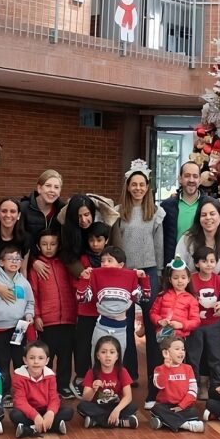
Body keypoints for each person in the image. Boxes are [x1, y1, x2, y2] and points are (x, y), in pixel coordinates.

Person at [116, 160, 166, 383]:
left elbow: (159, 245)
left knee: (151, 320)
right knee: (125, 322)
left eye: (142, 185)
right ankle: (130, 373)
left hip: (148, 271)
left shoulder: (156, 213)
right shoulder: (119, 213)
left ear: (147, 188)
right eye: (133, 184)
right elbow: (116, 243)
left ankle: (155, 372)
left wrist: (161, 272)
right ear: (128, 186)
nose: (137, 188)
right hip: (125, 272)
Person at [0, 244, 35, 403]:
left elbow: (30, 302)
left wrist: (29, 315)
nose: (14, 262)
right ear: (1, 262)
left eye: (17, 259)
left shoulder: (24, 282)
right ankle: (4, 393)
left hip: (19, 328)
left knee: (19, 361)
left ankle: (20, 392)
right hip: (0, 329)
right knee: (2, 362)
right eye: (10, 259)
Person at [28, 227, 77, 400]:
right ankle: (44, 386)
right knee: (46, 355)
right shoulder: (35, 268)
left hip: (68, 319)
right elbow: (32, 292)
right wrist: (36, 315)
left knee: (65, 355)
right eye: (44, 244)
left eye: (53, 244)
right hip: (47, 321)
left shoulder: (66, 263)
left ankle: (63, 385)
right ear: (38, 246)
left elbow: (73, 287)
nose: (49, 247)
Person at [78, 246, 150, 362]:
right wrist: (84, 280)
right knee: (97, 360)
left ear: (121, 265)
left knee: (117, 362)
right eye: (102, 261)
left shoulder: (129, 278)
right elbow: (82, 299)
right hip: (102, 327)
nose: (105, 264)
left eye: (109, 260)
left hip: (121, 329)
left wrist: (143, 279)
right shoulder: (96, 278)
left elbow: (145, 298)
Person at [148, 257, 201, 403]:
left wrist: (181, 324)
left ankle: (178, 396)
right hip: (162, 339)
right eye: (176, 277)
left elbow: (196, 321)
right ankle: (153, 396)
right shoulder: (162, 296)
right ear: (170, 279)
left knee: (177, 369)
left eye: (183, 277)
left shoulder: (191, 299)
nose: (180, 281)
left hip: (179, 340)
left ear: (189, 279)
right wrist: (160, 321)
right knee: (159, 367)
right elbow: (152, 313)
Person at [70, 221, 112, 397]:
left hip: (104, 311)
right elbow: (75, 281)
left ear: (106, 240)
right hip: (85, 310)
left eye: (99, 240)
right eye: (92, 240)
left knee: (103, 345)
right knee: (83, 344)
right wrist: (85, 279)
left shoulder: (111, 259)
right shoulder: (83, 259)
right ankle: (80, 377)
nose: (95, 244)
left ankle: (102, 378)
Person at [187, 246, 220, 390]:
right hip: (195, 325)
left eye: (212, 261)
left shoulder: (217, 279)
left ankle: (217, 386)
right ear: (197, 264)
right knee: (193, 357)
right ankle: (193, 387)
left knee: (216, 357)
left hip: (213, 325)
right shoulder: (191, 279)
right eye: (204, 261)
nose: (209, 264)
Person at [10, 341, 74, 438]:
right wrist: (35, 415)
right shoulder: (19, 376)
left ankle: (30, 429)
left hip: (45, 410)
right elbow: (20, 401)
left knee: (68, 411)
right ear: (25, 360)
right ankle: (53, 426)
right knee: (15, 415)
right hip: (28, 412)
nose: (36, 361)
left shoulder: (50, 375)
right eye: (32, 358)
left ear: (47, 361)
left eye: (40, 358)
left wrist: (51, 412)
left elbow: (54, 398)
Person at [78, 336, 138, 429]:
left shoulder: (122, 371)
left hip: (115, 405)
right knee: (82, 407)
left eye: (112, 352)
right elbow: (86, 398)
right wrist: (93, 390)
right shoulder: (92, 372)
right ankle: (119, 423)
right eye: (103, 352)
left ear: (117, 356)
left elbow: (128, 396)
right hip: (98, 406)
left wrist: (116, 410)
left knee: (132, 407)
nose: (108, 355)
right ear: (98, 356)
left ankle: (96, 421)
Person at [176, 197, 220, 287]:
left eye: (212, 214)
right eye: (203, 215)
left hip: (216, 295)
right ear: (199, 219)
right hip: (188, 292)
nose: (208, 218)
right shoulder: (187, 239)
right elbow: (179, 269)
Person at [148, 337, 204, 433]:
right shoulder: (159, 369)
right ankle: (186, 425)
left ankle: (164, 422)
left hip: (183, 406)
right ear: (166, 353)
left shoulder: (188, 368)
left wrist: (182, 406)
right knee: (156, 409)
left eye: (183, 349)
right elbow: (159, 385)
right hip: (165, 406)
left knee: (195, 412)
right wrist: (167, 369)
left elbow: (193, 391)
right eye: (177, 349)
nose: (181, 352)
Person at [57, 193, 121, 276]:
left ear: (92, 212)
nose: (83, 220)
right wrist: (82, 273)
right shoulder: (66, 224)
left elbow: (118, 250)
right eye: (79, 216)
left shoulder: (109, 219)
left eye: (86, 214)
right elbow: (67, 254)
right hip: (83, 269)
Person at [162, 161, 205, 262]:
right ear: (180, 179)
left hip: (202, 264)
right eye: (187, 176)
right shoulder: (167, 206)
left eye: (195, 176)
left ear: (200, 180)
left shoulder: (209, 205)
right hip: (175, 264)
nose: (191, 180)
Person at [20, 169, 65, 260]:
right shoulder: (23, 208)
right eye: (48, 186)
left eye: (56, 187)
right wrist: (33, 260)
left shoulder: (63, 211)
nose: (52, 190)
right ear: (39, 188)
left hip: (55, 263)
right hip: (27, 261)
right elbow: (18, 238)